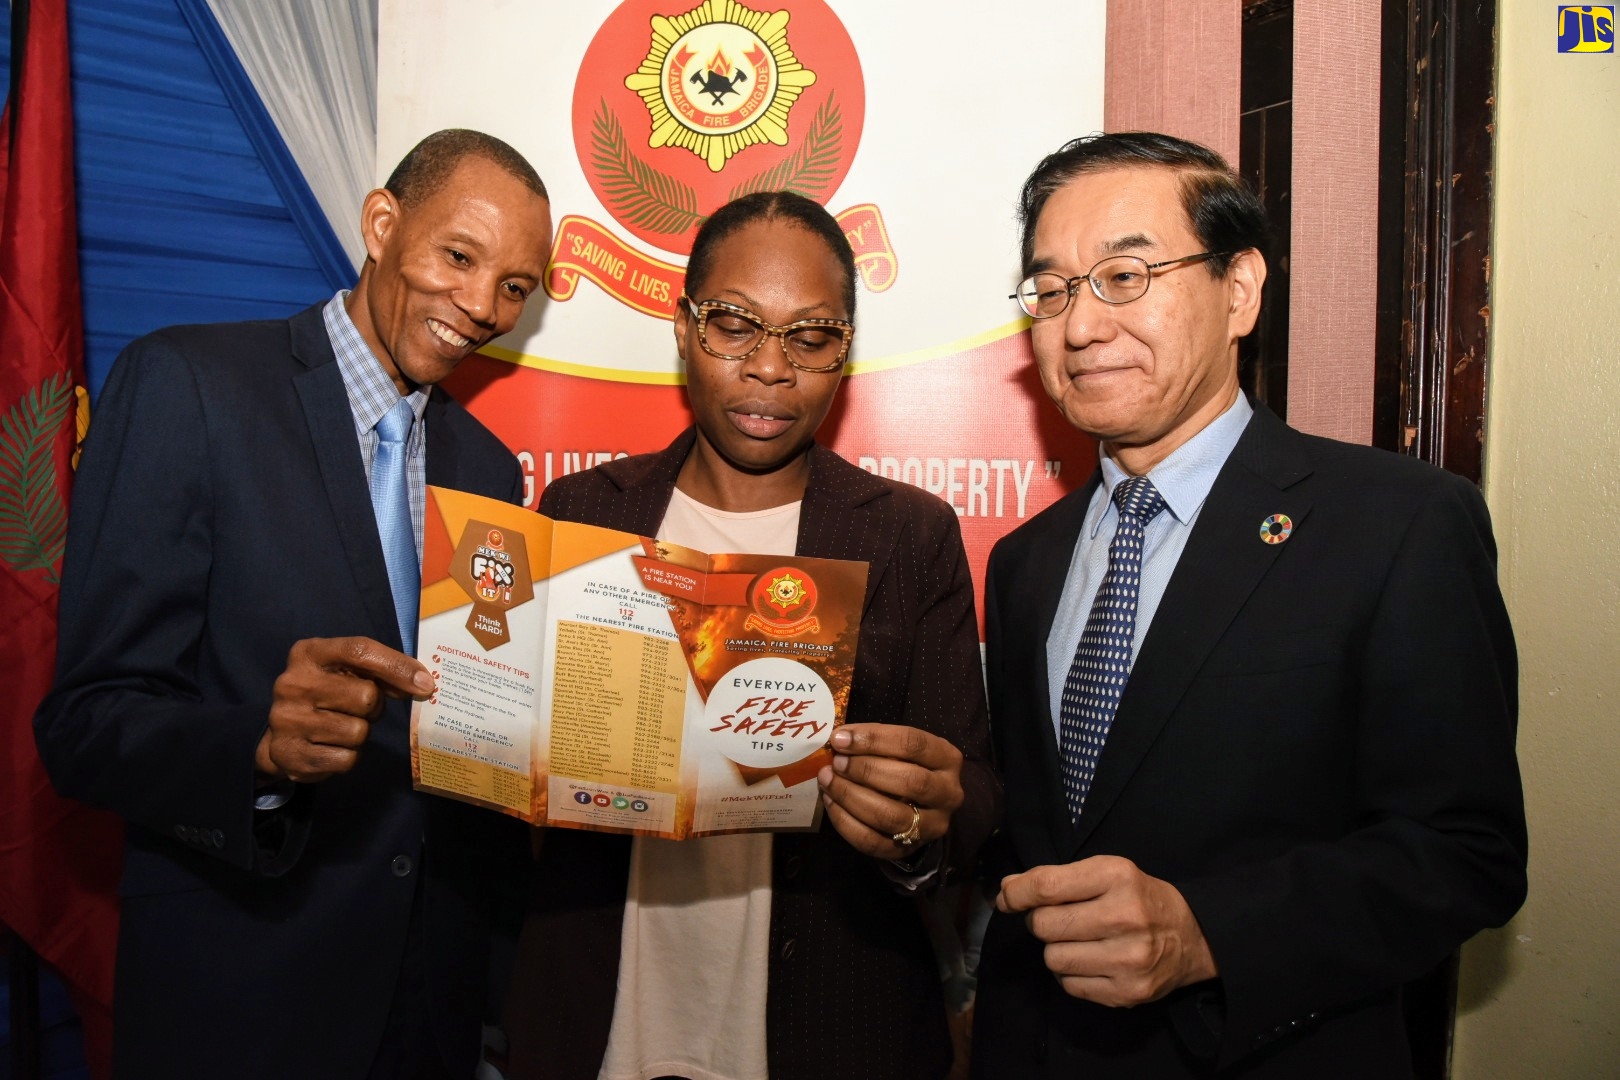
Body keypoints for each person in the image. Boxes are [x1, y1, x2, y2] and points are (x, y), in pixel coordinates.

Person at [970, 132, 1527, 1079]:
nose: (1081, 325)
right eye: (1052, 290)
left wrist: (1207, 934)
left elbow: (1466, 854)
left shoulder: (1397, 524)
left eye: (1125, 277)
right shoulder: (1026, 562)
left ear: (1239, 291)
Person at [34, 129, 553, 1080]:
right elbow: (85, 723)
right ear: (381, 224)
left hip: (428, 1016)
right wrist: (260, 752)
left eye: (515, 286)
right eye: (459, 256)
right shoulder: (189, 385)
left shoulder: (487, 470)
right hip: (240, 1003)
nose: (484, 307)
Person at [502, 190, 1000, 1080]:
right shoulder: (582, 515)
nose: (770, 368)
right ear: (684, 326)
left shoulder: (908, 536)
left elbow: (972, 801)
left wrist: (923, 819)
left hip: (833, 1028)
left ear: (846, 350)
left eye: (811, 336)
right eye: (734, 325)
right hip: (598, 1024)